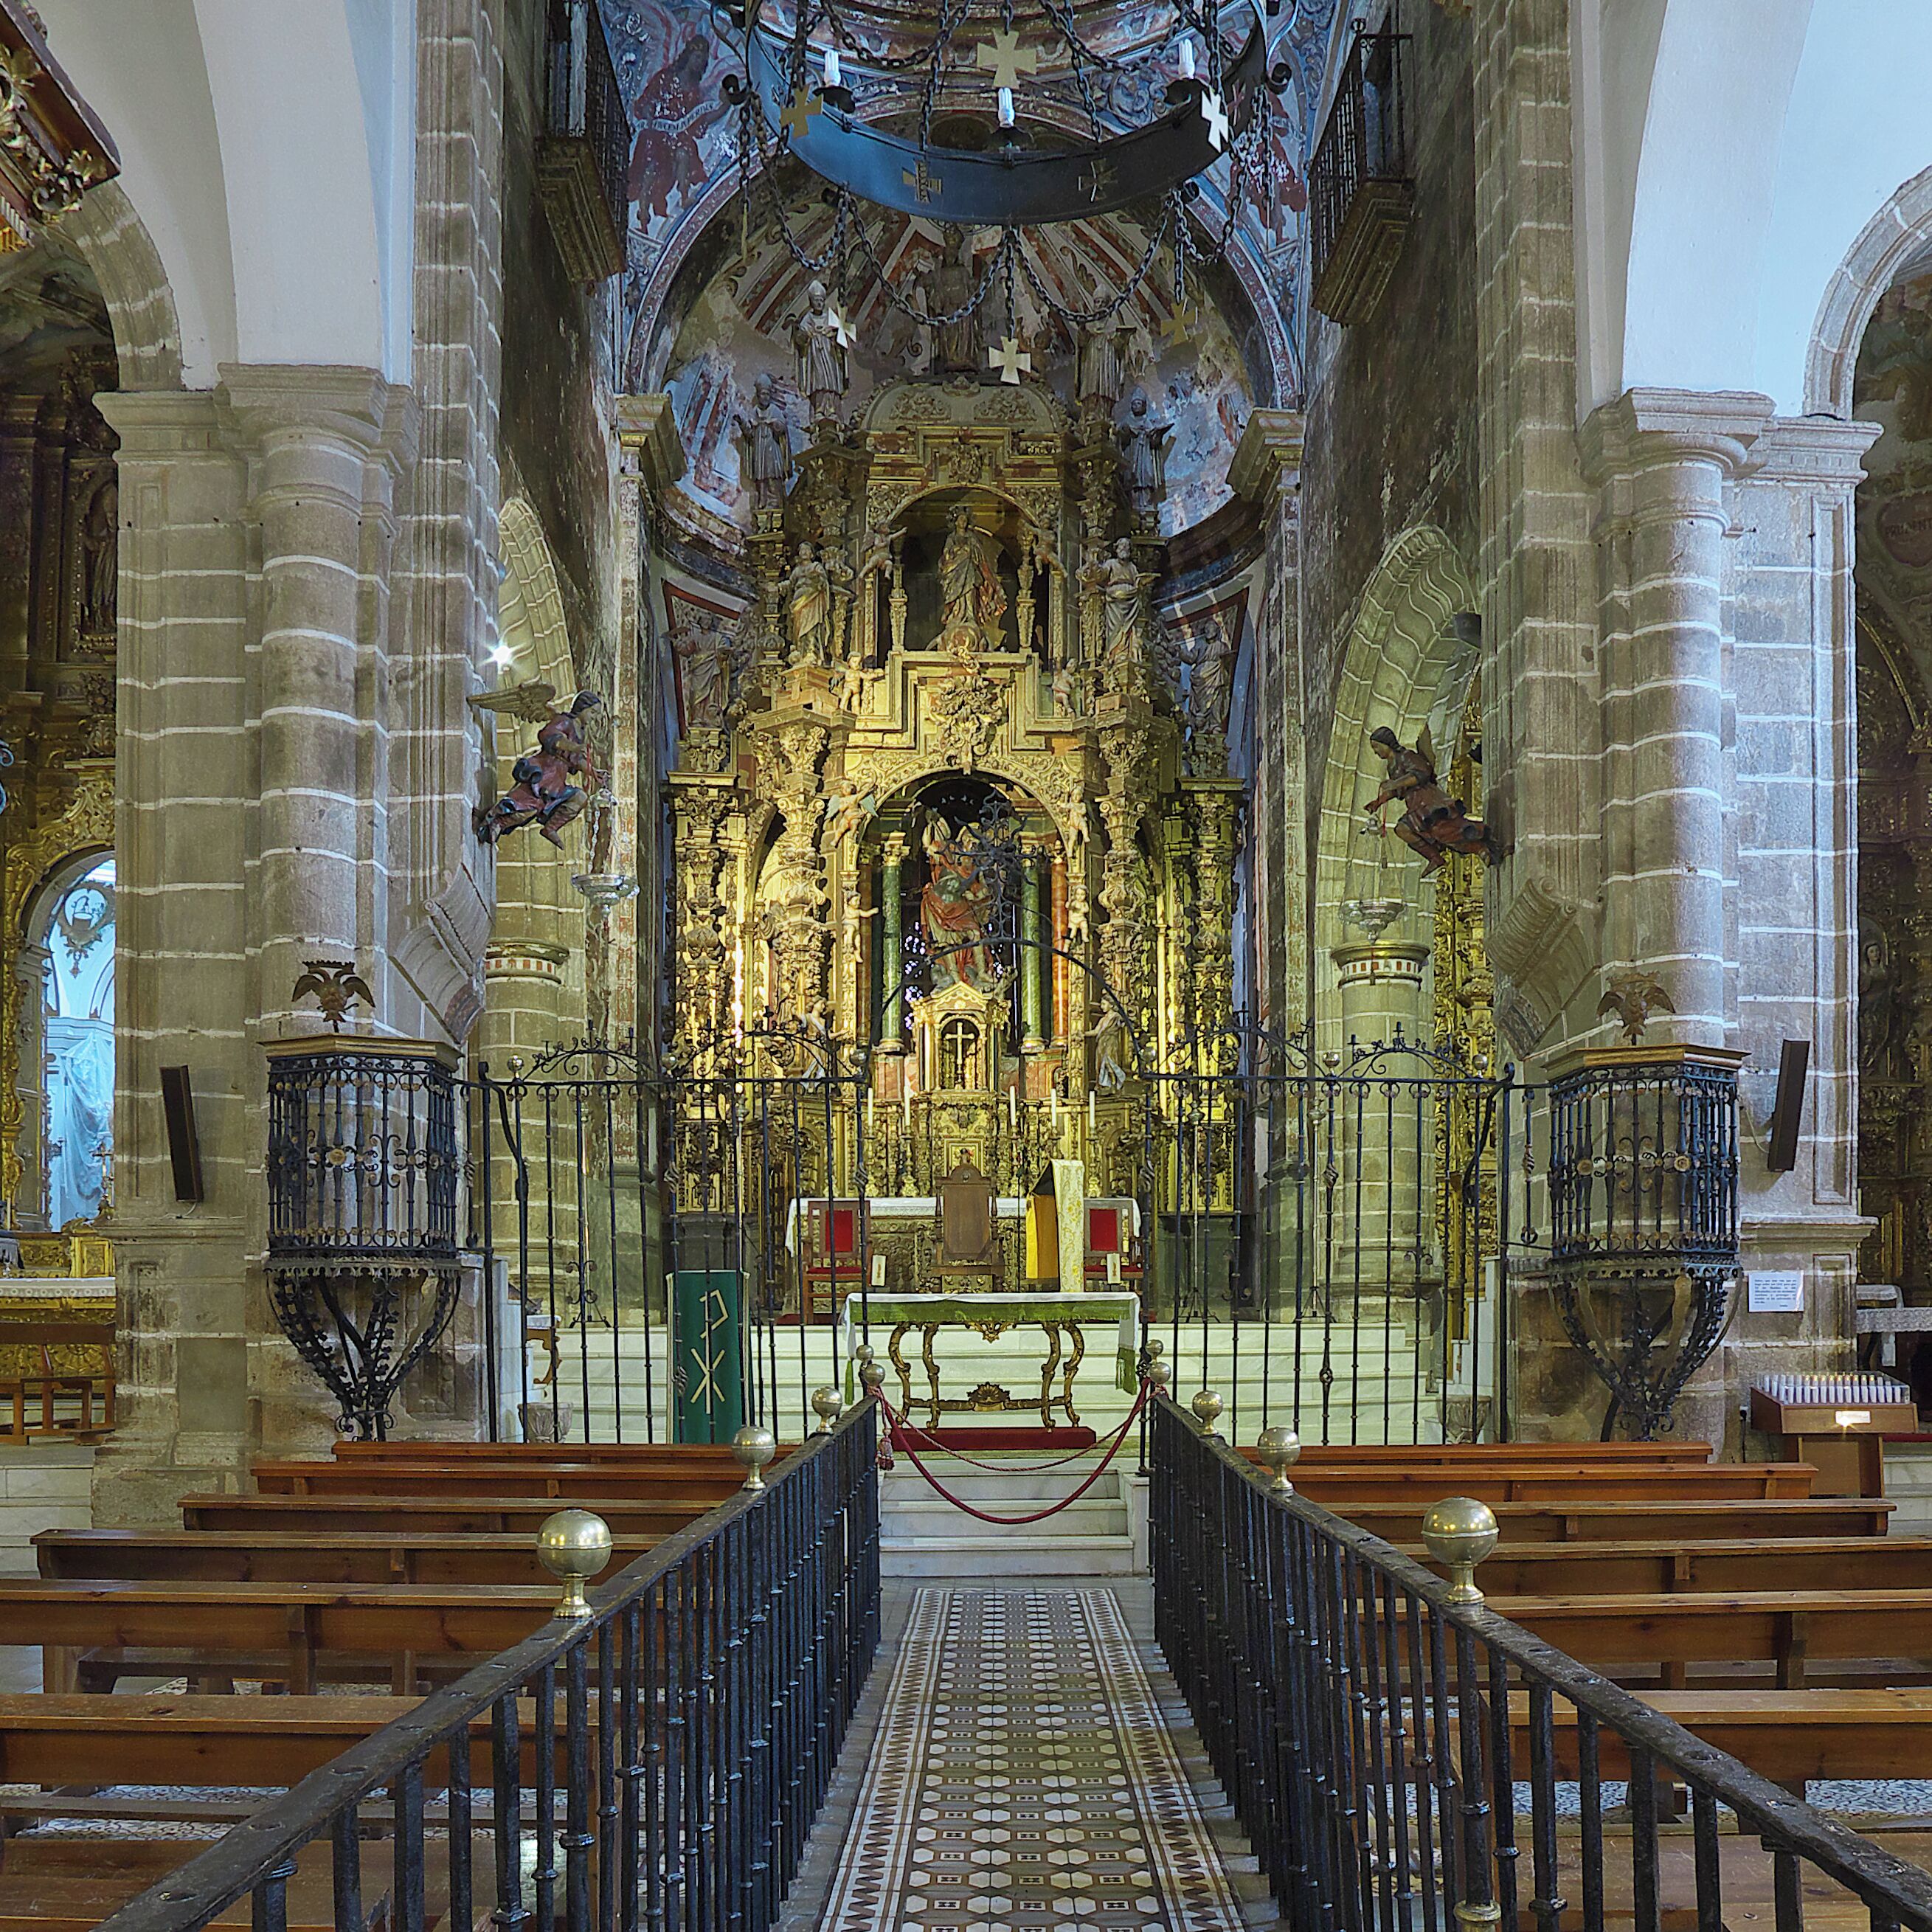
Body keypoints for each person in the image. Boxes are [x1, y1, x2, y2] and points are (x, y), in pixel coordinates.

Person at [1364, 726, 1503, 873]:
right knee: (1403, 829)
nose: (1376, 752)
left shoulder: (1406, 756)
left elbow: (1422, 773)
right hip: (1415, 804)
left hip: (1427, 801)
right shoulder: (1391, 767)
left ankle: (1482, 847)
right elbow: (1397, 790)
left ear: (1386, 743)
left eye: (1377, 747)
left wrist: (1395, 783)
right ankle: (1435, 857)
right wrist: (1378, 802)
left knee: (1444, 832)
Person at [475, 690, 603, 847]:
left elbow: (576, 761)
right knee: (527, 808)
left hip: (558, 780)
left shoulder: (580, 734)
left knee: (580, 797)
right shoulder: (564, 720)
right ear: (582, 708)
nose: (594, 717)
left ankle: (550, 829)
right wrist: (573, 747)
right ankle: (496, 821)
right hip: (545, 772)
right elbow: (548, 735)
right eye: (592, 712)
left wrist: (593, 772)